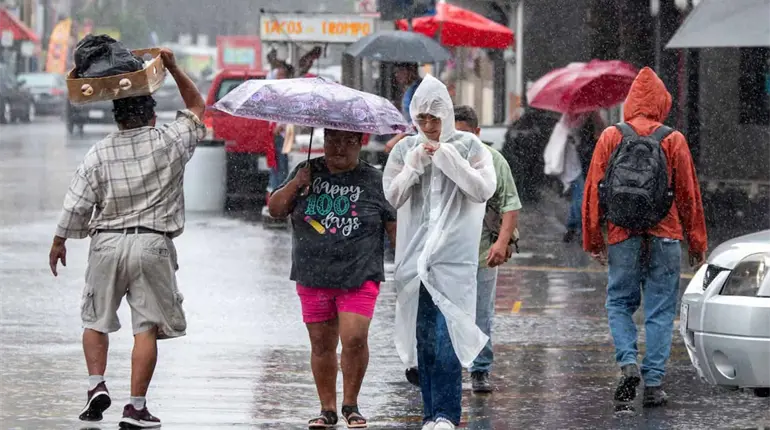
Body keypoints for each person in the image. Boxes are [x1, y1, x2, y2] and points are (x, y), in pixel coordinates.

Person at [48, 48, 206, 428]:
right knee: (146, 327)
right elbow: (199, 106)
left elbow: (76, 204)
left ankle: (96, 384)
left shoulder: (98, 153)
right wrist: (170, 65)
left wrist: (59, 241)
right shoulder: (169, 141)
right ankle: (135, 406)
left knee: (96, 320)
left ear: (116, 118)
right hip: (152, 244)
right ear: (151, 114)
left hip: (106, 244)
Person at [582, 67, 707, 408]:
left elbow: (594, 190)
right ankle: (653, 383)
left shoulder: (611, 136)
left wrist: (594, 239)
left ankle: (627, 362)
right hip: (665, 235)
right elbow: (688, 196)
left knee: (619, 303)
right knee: (660, 309)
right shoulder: (673, 139)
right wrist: (697, 245)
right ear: (662, 102)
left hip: (623, 234)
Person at [383, 75, 496, 430]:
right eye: (422, 120)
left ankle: (448, 414)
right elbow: (393, 196)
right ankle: (430, 413)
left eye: (435, 119)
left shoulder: (469, 146)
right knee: (424, 340)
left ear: (447, 115)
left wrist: (448, 159)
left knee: (448, 335)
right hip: (416, 261)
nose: (429, 127)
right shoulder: (405, 149)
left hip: (453, 260)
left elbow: (483, 190)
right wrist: (415, 165)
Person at [268, 129, 397, 429]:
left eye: (348, 142)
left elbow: (393, 225)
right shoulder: (306, 171)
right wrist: (297, 184)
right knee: (321, 345)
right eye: (332, 141)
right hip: (313, 273)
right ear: (323, 141)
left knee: (353, 338)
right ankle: (327, 409)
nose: (339, 148)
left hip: (360, 273)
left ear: (360, 143)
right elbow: (275, 209)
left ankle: (351, 403)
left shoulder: (375, 180)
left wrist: (407, 264)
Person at [454, 106, 522, 392]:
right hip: (450, 254)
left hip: (483, 253)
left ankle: (480, 369)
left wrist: (501, 242)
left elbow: (511, 205)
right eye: (456, 135)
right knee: (450, 312)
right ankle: (449, 365)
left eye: (467, 135)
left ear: (478, 133)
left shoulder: (495, 161)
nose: (462, 142)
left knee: (481, 313)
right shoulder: (445, 160)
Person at [268, 62, 295, 193]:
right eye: (277, 75)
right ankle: (275, 192)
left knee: (281, 166)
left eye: (281, 75)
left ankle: (279, 192)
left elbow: (289, 112)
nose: (279, 78)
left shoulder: (288, 92)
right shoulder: (276, 91)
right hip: (273, 134)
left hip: (282, 135)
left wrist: (280, 126)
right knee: (275, 165)